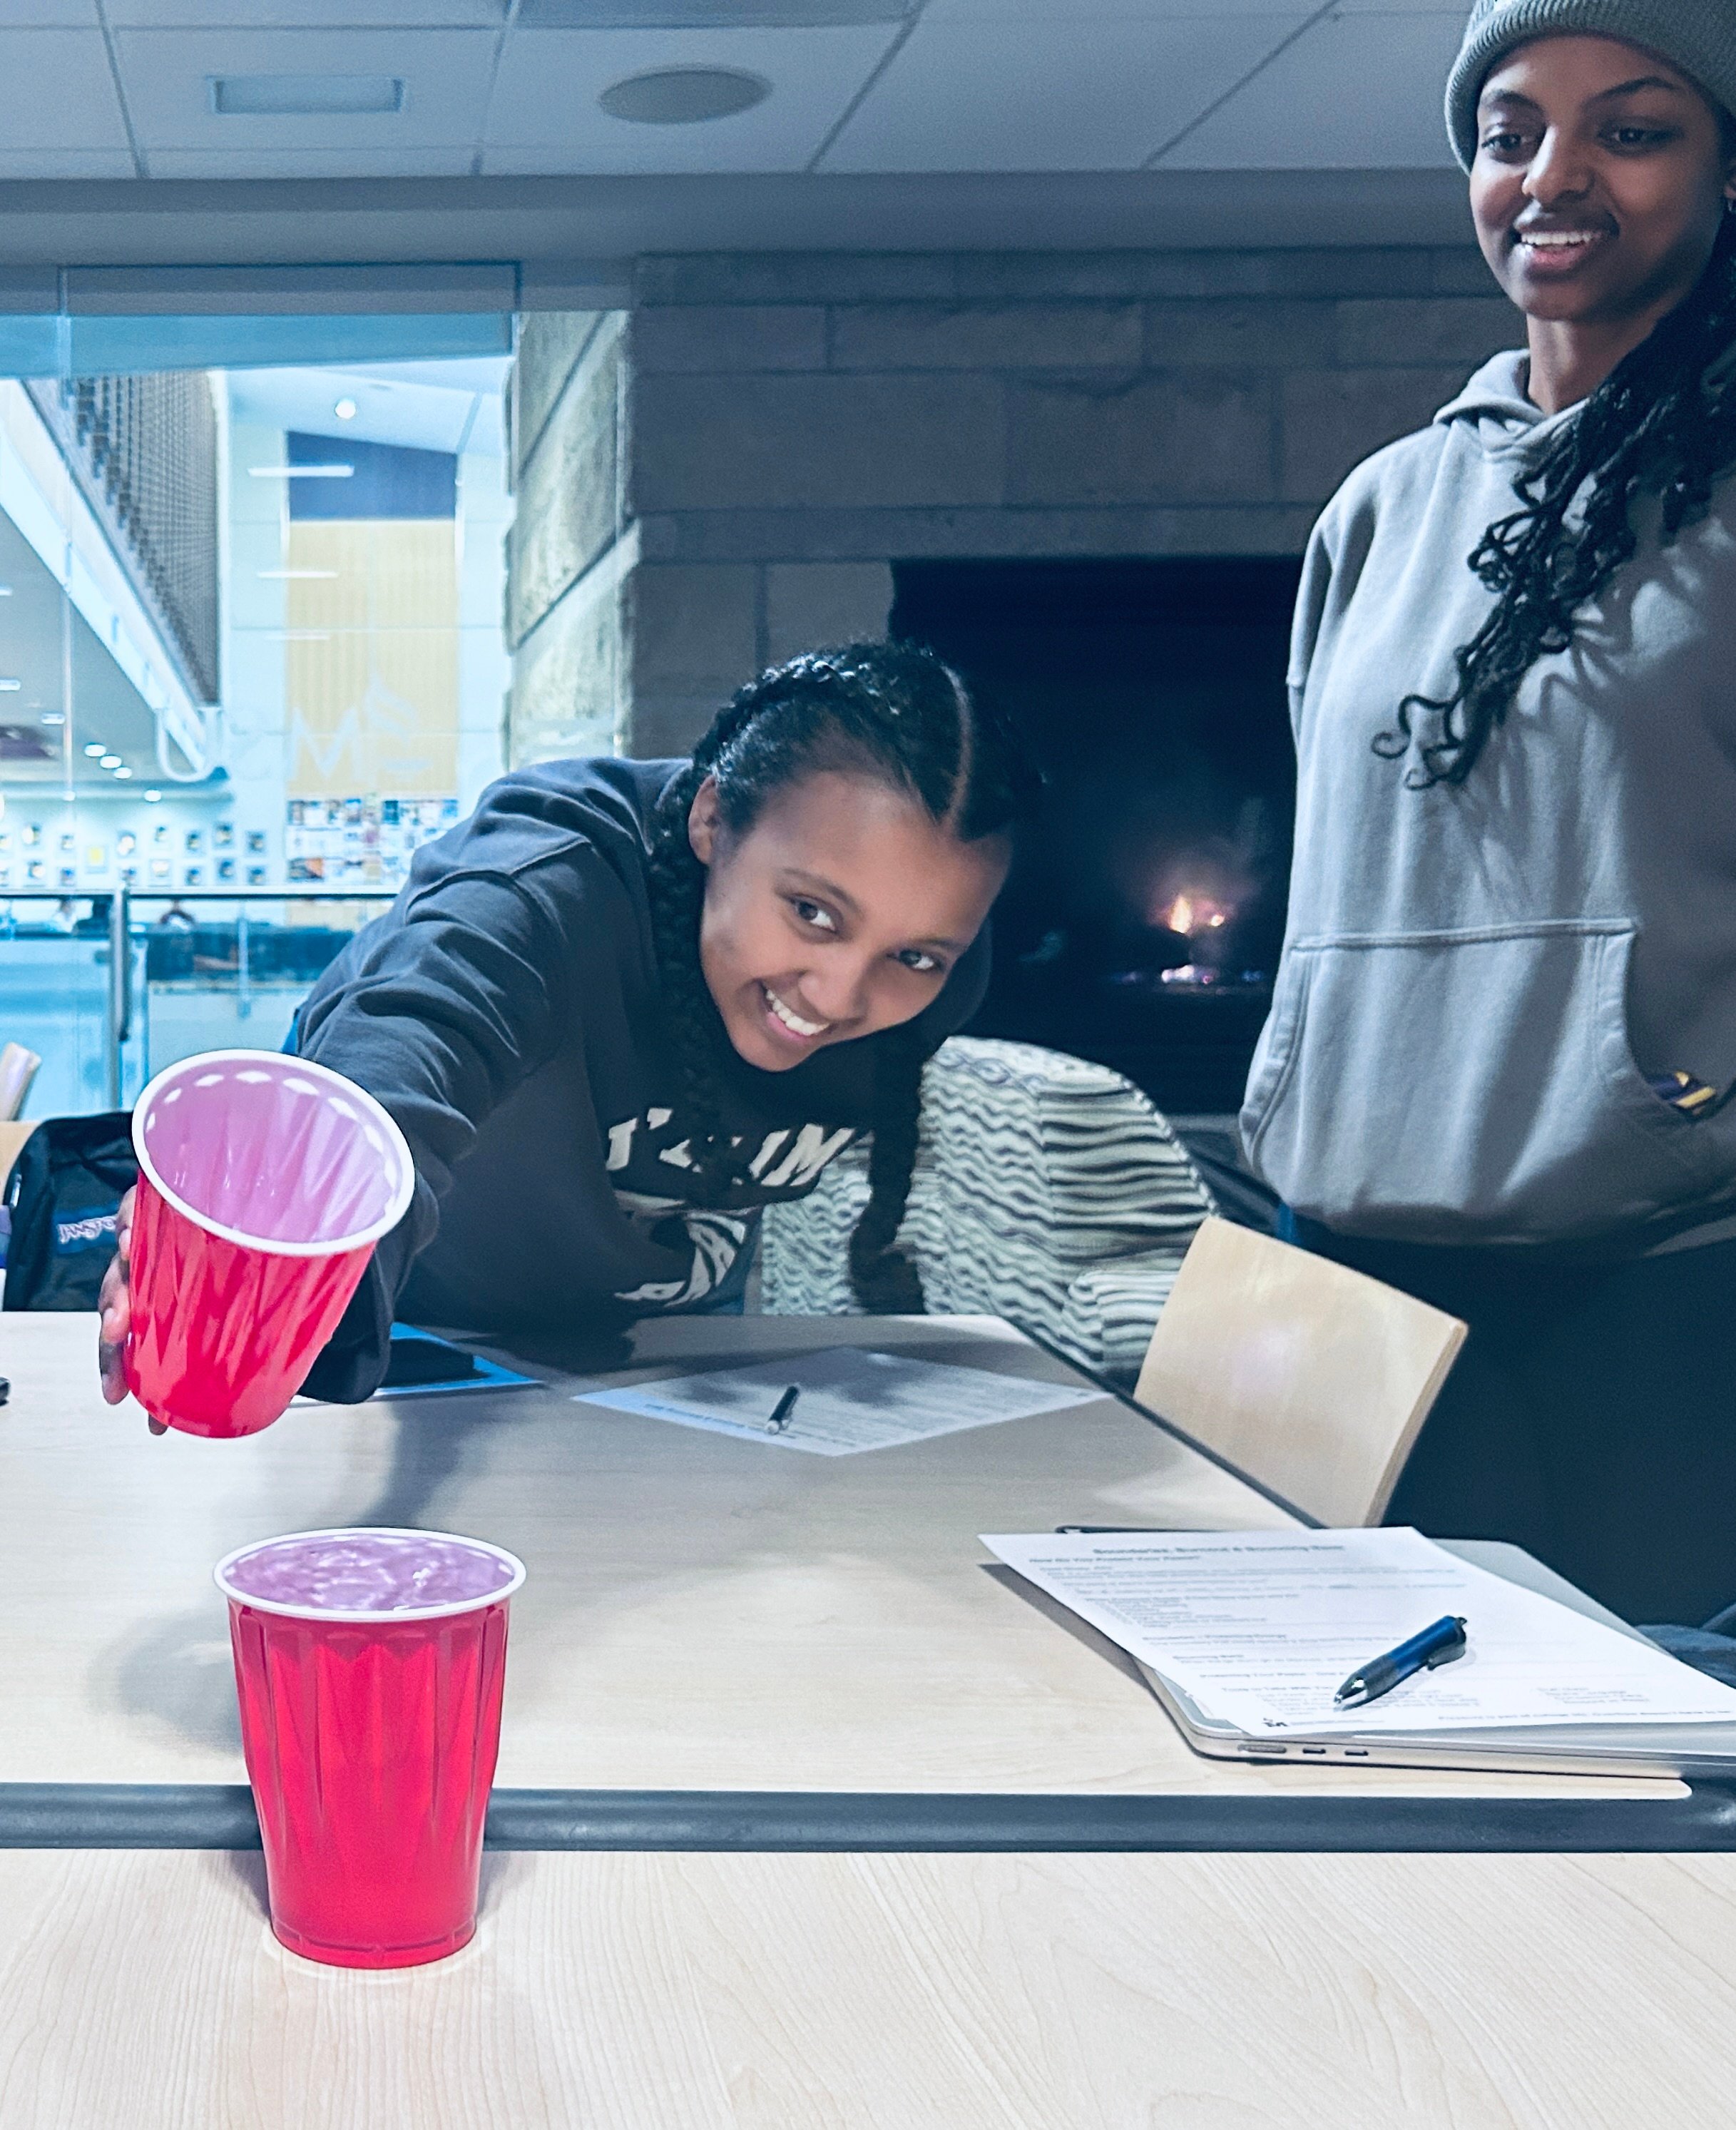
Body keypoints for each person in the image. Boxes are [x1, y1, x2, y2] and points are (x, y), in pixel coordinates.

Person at [1242, 0, 1736, 1622]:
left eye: (1632, 127)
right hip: (1342, 1255)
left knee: (1621, 1797)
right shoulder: (1381, 505)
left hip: (1648, 1274)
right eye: (1510, 130)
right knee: (1321, 1745)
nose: (1554, 174)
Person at [98, 641, 1036, 1409]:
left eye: (913, 955)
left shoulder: (938, 980)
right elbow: (405, 1041)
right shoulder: (544, 890)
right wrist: (281, 1265)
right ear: (712, 818)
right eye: (812, 913)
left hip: (652, 1338)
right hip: (413, 1338)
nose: (838, 992)